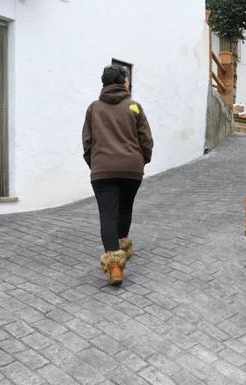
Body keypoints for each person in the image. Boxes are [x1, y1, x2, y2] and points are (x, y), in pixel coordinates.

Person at [82, 64, 153, 286]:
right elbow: (146, 141)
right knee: (125, 209)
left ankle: (114, 266)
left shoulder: (94, 108)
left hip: (102, 170)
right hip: (131, 170)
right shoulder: (134, 107)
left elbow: (87, 142)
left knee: (108, 216)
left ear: (104, 83)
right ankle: (122, 251)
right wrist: (142, 160)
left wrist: (95, 164)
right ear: (124, 82)